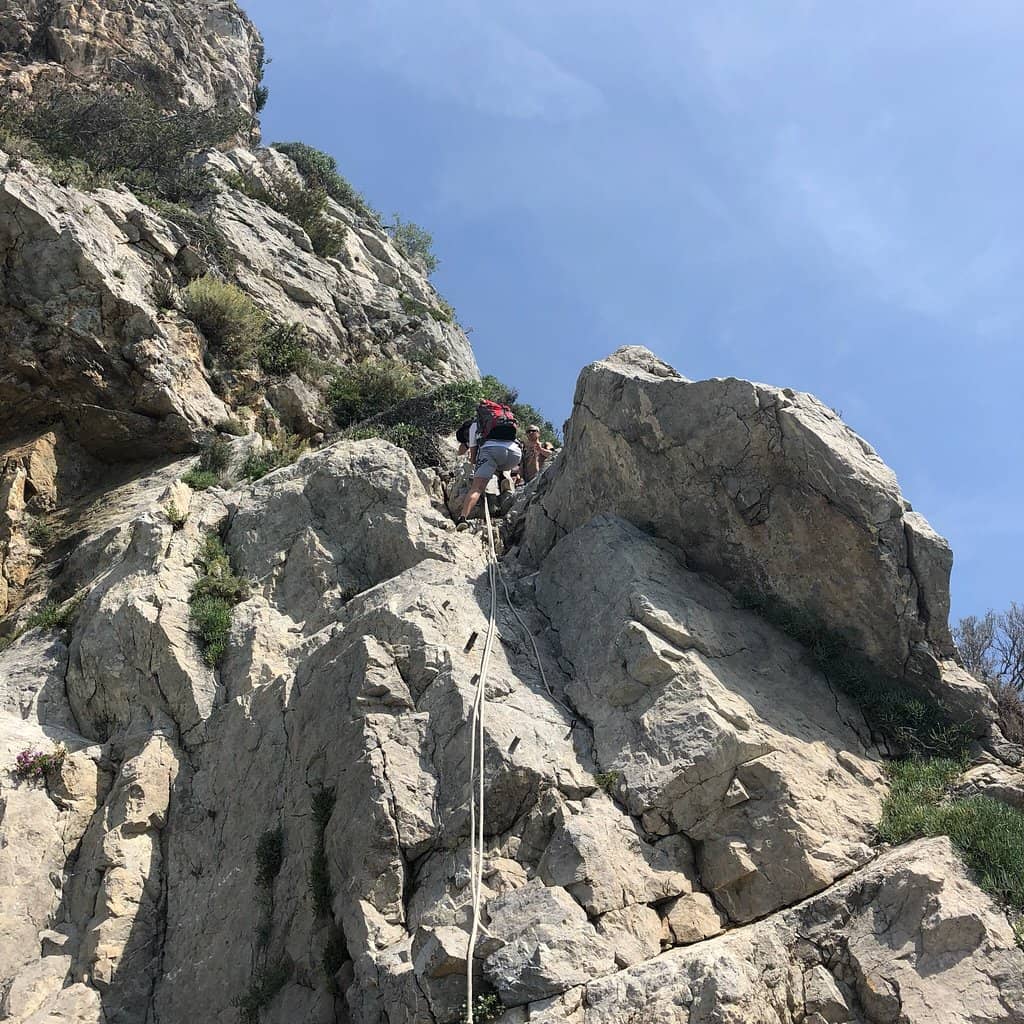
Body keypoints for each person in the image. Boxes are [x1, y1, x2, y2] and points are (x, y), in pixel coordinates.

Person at [455, 400, 521, 528]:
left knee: (477, 488)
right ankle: (505, 482)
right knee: (498, 466)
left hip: (492, 450)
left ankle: (462, 518)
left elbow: (473, 457)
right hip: (515, 455)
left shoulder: (474, 426)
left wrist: (475, 464)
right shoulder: (500, 420)